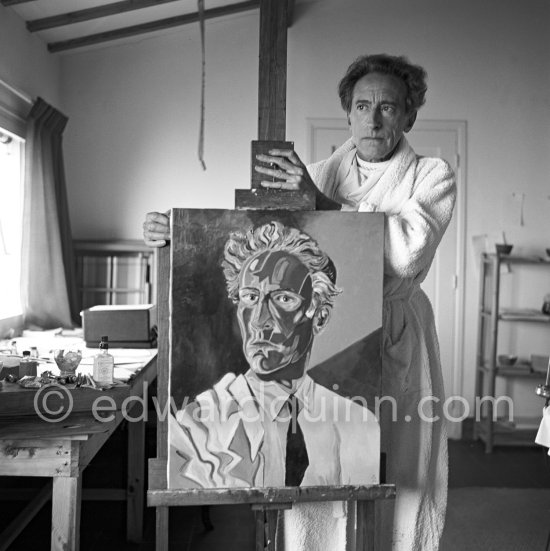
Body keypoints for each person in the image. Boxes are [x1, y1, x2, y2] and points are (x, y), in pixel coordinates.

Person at [144, 53, 456, 551]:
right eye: (362, 106)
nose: (373, 119)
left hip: (396, 331)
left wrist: (321, 202)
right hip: (329, 343)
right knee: (314, 473)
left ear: (410, 115)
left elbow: (404, 252)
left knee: (398, 466)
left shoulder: (431, 175)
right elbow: (253, 233)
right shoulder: (315, 174)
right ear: (347, 114)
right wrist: (173, 232)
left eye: (388, 107)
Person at [169, 221, 380, 489]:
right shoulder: (195, 426)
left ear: (320, 317)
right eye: (250, 297)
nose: (259, 320)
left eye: (282, 299)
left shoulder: (359, 424)